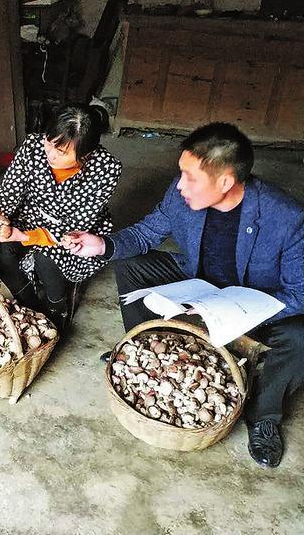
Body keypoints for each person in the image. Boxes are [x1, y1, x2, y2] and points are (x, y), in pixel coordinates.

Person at [63, 122, 304, 468]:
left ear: (225, 182)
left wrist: (229, 311)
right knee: (131, 266)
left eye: (190, 177)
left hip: (254, 300)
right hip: (199, 281)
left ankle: (264, 416)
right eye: (181, 173)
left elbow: (298, 293)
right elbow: (146, 233)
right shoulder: (180, 196)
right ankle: (144, 347)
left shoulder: (287, 219)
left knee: (299, 338)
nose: (180, 184)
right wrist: (101, 244)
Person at [0, 105, 121, 330]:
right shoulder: (32, 146)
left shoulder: (106, 168)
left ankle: (57, 309)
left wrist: (21, 236)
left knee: (48, 260)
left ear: (86, 155)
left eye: (61, 152)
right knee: (0, 252)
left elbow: (77, 226)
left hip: (75, 232)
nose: (50, 153)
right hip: (33, 215)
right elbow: (5, 199)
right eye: (49, 142)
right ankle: (29, 307)